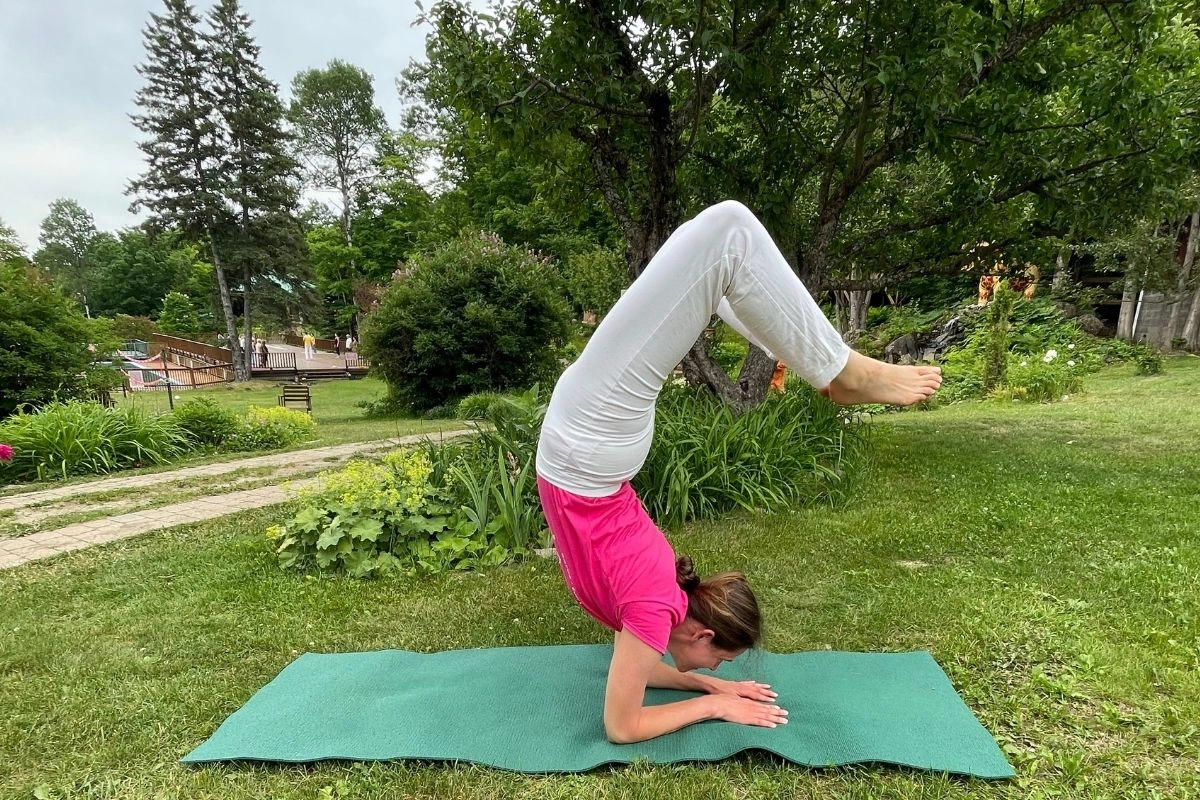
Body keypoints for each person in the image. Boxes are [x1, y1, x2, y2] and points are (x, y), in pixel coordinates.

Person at [535, 201, 941, 745]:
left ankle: (832, 370)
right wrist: (713, 701)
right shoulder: (654, 609)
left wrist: (711, 687)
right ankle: (840, 371)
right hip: (587, 445)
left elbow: (634, 689)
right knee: (725, 237)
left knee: (724, 247)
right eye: (719, 660)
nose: (716, 668)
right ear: (702, 634)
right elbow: (624, 725)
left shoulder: (655, 610)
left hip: (589, 446)